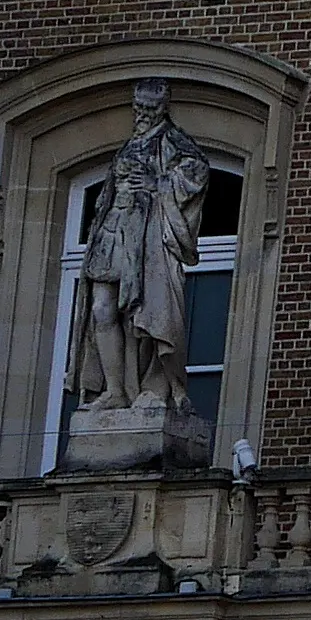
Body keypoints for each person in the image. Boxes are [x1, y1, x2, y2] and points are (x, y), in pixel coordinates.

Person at [67, 79, 210, 417]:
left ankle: (151, 385)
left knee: (141, 315)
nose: (142, 114)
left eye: (149, 108)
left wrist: (157, 184)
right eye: (138, 107)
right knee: (102, 309)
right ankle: (115, 390)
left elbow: (197, 175)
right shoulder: (128, 146)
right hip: (111, 231)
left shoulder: (175, 142)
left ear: (164, 107)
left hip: (143, 238)